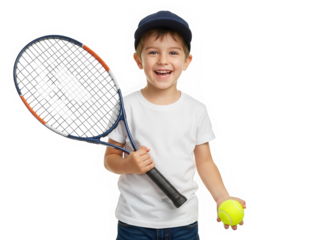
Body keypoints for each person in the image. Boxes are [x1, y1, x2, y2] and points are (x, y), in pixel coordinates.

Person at [103, 9, 247, 239]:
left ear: (186, 61)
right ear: (138, 60)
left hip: (184, 222)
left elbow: (205, 161)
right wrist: (129, 164)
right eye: (153, 52)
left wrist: (221, 197)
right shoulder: (125, 107)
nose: (163, 60)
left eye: (173, 52)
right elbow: (110, 160)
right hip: (134, 222)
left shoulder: (196, 110)